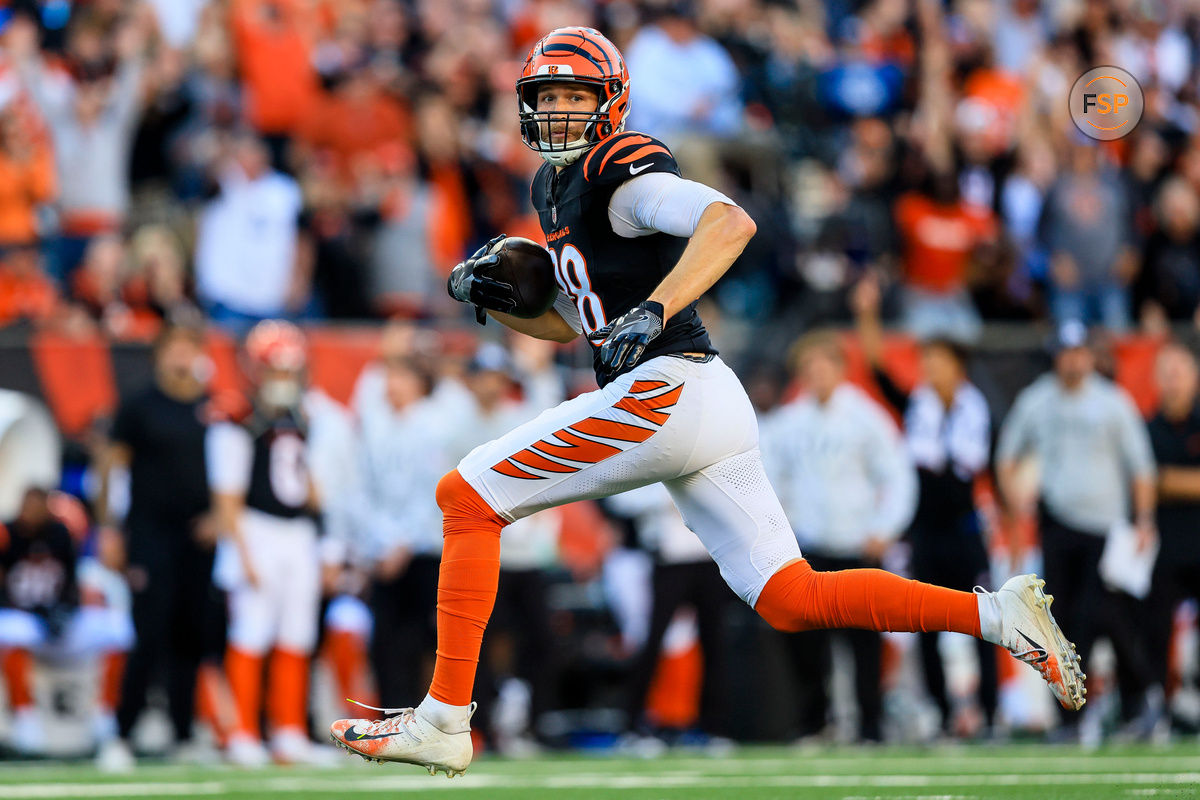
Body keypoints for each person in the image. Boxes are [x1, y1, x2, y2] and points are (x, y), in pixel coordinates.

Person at [330, 27, 1084, 777]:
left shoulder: (621, 173)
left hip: (670, 387)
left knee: (466, 496)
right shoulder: (552, 189)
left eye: (574, 95)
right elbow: (574, 321)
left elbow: (730, 221)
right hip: (697, 398)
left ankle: (444, 719)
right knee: (792, 596)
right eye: (547, 96)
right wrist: (495, 300)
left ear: (610, 101)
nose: (558, 109)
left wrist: (655, 308)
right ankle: (997, 614)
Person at [853, 276, 999, 736]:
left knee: (983, 622)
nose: (929, 368)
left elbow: (971, 470)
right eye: (927, 360)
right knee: (928, 623)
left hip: (963, 530)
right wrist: (867, 315)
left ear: (958, 366)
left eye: (938, 360)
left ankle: (990, 714)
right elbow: (879, 371)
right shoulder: (918, 405)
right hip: (927, 533)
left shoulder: (975, 410)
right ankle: (940, 710)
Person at [996, 321, 1157, 736]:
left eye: (1077, 351)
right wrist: (1017, 507)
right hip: (1058, 522)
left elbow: (1140, 467)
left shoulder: (1112, 401)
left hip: (1106, 527)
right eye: (1064, 352)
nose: (1071, 360)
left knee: (1104, 614)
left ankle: (1138, 697)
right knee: (1061, 622)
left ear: (1089, 355)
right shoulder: (1037, 401)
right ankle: (1073, 716)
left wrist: (1143, 520)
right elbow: (1008, 457)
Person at [761, 331, 917, 742]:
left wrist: (885, 528)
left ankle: (870, 725)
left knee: (864, 644)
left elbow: (898, 473)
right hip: (809, 550)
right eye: (809, 368)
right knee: (807, 646)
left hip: (857, 545)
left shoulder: (866, 417)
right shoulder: (788, 423)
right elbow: (769, 479)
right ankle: (817, 722)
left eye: (824, 365)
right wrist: (784, 531)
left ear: (840, 369)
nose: (817, 374)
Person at [99, 319, 220, 771]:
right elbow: (112, 468)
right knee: (149, 631)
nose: (181, 356)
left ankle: (183, 733)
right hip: (151, 533)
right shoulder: (139, 406)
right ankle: (122, 733)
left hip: (199, 535)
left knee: (190, 633)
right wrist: (110, 529)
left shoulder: (212, 407)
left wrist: (218, 518)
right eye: (174, 347)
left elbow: (226, 470)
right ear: (159, 354)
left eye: (189, 346)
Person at [207, 320, 327, 766]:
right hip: (256, 529)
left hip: (297, 534)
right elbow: (227, 496)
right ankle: (241, 732)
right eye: (277, 370)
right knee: (251, 631)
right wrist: (240, 552)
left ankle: (290, 732)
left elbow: (309, 489)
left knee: (297, 634)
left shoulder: (299, 417)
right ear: (256, 371)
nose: (285, 380)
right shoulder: (236, 417)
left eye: (290, 371)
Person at [0, 487, 131, 755]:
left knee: (118, 628)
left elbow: (71, 586)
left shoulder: (60, 536)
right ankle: (25, 721)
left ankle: (104, 719)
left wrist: (64, 610)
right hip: (25, 621)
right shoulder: (7, 536)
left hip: (59, 625)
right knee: (11, 629)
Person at [1144, 342, 1200, 734]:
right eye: (1167, 372)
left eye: (1180, 371)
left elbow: (1158, 480)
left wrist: (1167, 481)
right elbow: (1145, 481)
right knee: (1155, 632)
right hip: (1164, 550)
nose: (1174, 380)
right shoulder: (1146, 428)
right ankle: (1158, 708)